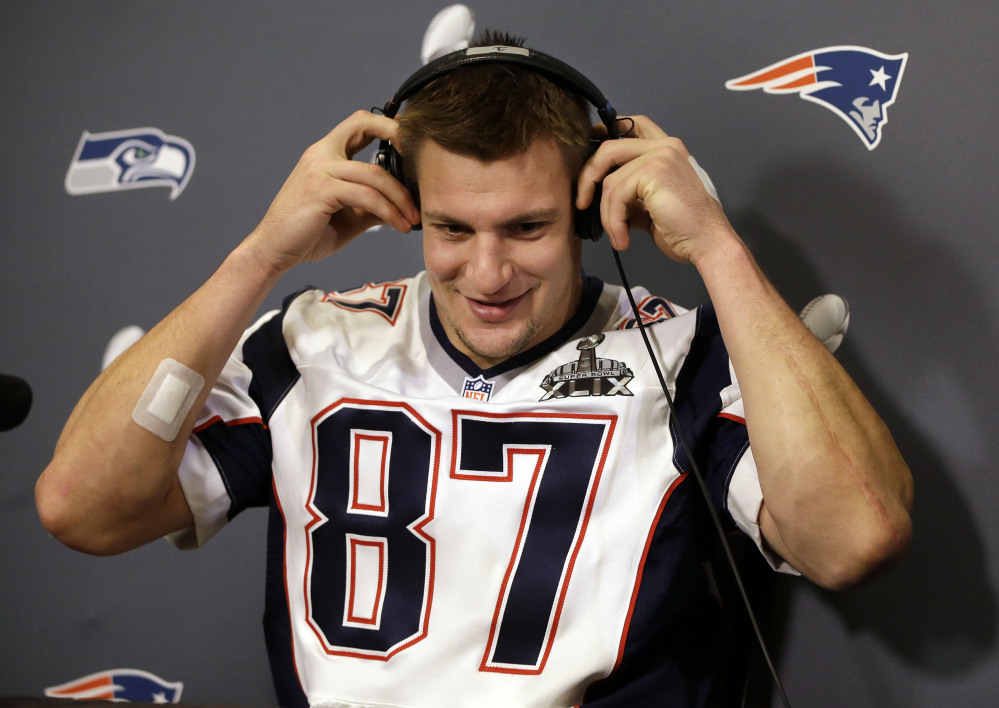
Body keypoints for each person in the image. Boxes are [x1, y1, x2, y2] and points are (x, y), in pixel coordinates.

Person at [36, 31, 913, 708]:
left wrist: (716, 248)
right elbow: (82, 509)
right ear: (408, 207)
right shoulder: (311, 345)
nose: (487, 275)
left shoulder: (677, 354)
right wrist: (259, 257)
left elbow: (852, 541)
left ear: (585, 207)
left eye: (527, 228)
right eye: (452, 230)